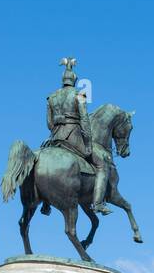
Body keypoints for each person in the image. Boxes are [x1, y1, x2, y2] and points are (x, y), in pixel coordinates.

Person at [46, 58, 110, 215]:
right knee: (102, 164)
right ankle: (98, 204)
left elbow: (49, 123)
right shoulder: (79, 94)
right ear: (74, 81)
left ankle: (45, 203)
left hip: (55, 138)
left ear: (63, 81)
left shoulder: (51, 97)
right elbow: (85, 120)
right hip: (73, 137)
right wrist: (88, 143)